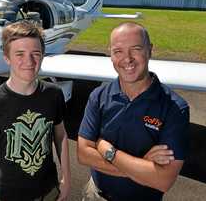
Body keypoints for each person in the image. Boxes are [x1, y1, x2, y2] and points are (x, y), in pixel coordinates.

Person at [77, 22, 189, 201]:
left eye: (135, 49)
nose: (127, 59)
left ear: (150, 50)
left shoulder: (175, 107)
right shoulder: (98, 96)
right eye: (118, 51)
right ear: (111, 55)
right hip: (96, 195)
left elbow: (163, 180)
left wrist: (108, 150)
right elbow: (83, 154)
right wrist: (143, 165)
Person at [0, 20, 71, 201]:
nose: (29, 61)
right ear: (6, 57)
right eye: (20, 54)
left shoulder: (54, 94)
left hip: (49, 190)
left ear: (43, 56)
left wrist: (66, 178)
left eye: (36, 53)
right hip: (9, 195)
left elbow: (61, 135)